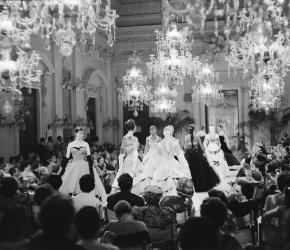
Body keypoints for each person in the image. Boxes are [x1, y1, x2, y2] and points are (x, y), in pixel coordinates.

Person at [59, 127, 107, 207]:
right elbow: (66, 157)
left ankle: (86, 203)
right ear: (75, 133)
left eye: (82, 133)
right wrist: (62, 170)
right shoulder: (70, 144)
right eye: (79, 133)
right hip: (73, 165)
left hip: (84, 165)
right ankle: (74, 203)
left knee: (87, 183)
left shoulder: (85, 144)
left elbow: (89, 158)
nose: (81, 135)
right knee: (71, 185)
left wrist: (91, 171)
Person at [150, 126, 192, 196]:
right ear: (170, 133)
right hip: (173, 163)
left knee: (160, 178)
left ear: (164, 133)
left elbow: (158, 159)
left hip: (164, 164)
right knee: (176, 177)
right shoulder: (174, 143)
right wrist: (185, 167)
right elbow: (180, 157)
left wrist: (155, 168)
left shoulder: (160, 144)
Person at [184, 124, 220, 192]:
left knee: (192, 172)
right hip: (197, 156)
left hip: (190, 157)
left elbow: (185, 147)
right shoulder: (197, 137)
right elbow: (202, 148)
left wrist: (189, 149)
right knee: (201, 171)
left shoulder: (186, 138)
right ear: (194, 130)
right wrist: (205, 152)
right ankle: (201, 187)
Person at [112, 119, 141, 191]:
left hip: (127, 161)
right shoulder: (135, 138)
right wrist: (134, 168)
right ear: (134, 127)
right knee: (133, 181)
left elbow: (121, 154)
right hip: (133, 161)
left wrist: (120, 167)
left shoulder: (124, 138)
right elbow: (135, 153)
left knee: (124, 181)